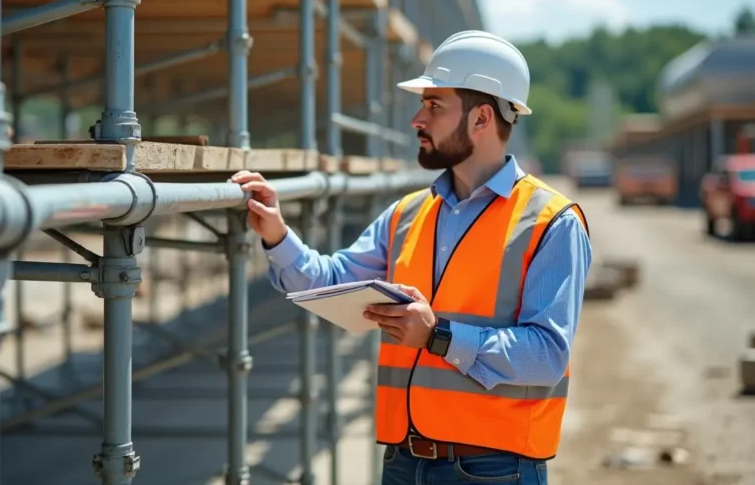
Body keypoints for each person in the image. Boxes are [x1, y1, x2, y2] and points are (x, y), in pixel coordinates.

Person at [230, 30, 592, 484]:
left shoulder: (552, 222)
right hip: (403, 462)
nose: (417, 119)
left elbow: (547, 354)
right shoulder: (406, 214)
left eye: (435, 105)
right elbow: (331, 281)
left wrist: (438, 335)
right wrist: (277, 233)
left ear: (481, 118)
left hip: (493, 470)